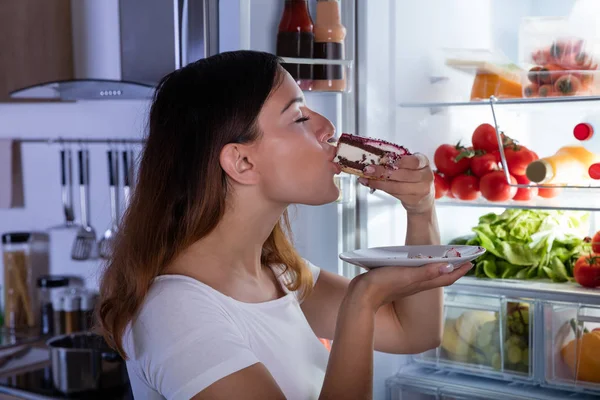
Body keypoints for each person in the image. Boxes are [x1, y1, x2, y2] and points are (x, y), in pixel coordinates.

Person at [97, 50, 472, 400]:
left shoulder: (276, 274)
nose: (328, 129)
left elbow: (415, 332)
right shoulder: (175, 313)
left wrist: (420, 208)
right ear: (242, 163)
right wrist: (362, 299)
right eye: (300, 118)